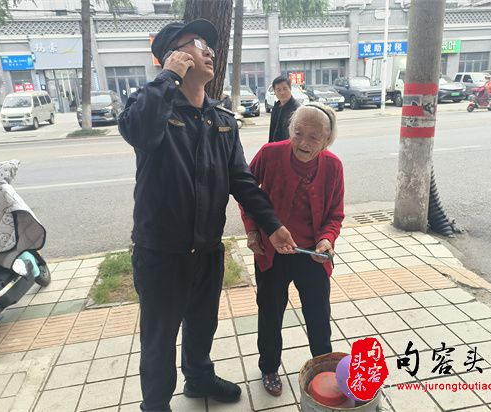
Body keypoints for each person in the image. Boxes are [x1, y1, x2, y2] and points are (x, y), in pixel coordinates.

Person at [118, 19, 296, 412]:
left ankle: (198, 376)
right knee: (159, 337)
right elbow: (138, 132)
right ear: (175, 56)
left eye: (210, 45)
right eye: (198, 43)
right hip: (162, 252)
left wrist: (273, 225)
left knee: (202, 323)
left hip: (207, 248)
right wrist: (167, 77)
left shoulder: (222, 119)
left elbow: (242, 181)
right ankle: (155, 405)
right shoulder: (151, 106)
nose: (210, 51)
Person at [241, 102, 345, 396]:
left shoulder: (333, 166)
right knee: (270, 312)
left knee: (318, 314)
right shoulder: (269, 154)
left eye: (314, 137)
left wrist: (327, 239)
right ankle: (269, 367)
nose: (304, 143)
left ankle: (323, 369)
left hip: (312, 255)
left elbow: (335, 214)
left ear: (327, 140)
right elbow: (247, 193)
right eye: (298, 133)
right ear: (290, 130)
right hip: (271, 251)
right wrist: (252, 230)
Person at [268, 75, 301, 142]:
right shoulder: (276, 107)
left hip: (289, 145)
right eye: (278, 90)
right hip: (276, 145)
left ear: (290, 89)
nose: (282, 93)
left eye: (285, 89)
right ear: (274, 92)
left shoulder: (296, 109)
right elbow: (272, 129)